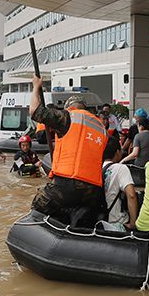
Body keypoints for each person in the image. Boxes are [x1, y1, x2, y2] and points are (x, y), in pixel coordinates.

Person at [29, 75, 108, 225]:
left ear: (69, 107)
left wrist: (36, 87)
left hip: (68, 184)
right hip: (93, 191)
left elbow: (34, 111)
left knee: (38, 205)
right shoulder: (101, 128)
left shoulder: (68, 117)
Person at [101, 138, 138, 230]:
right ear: (117, 152)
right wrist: (133, 223)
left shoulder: (97, 167)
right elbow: (131, 195)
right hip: (117, 224)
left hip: (100, 223)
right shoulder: (120, 168)